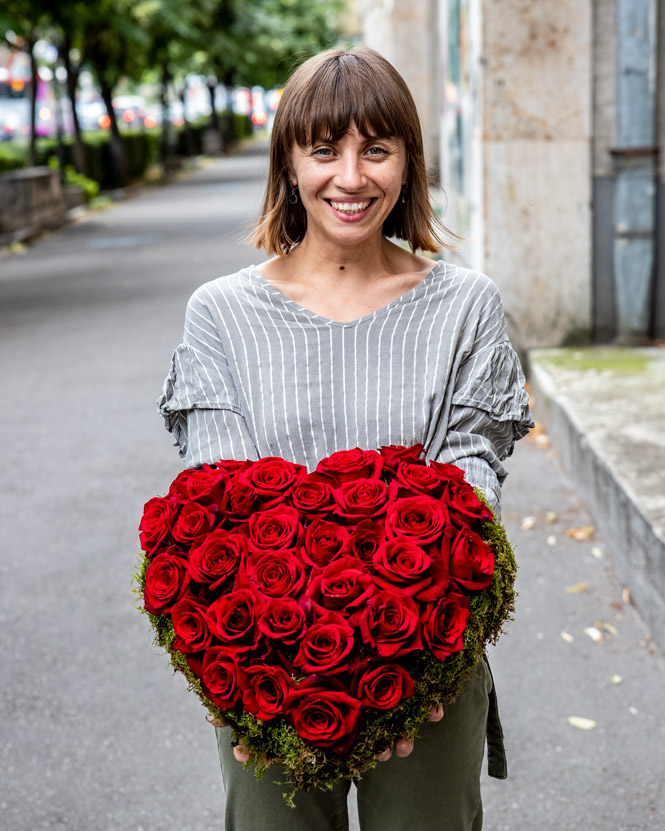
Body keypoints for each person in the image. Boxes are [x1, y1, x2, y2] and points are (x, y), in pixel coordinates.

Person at [158, 46, 533, 831]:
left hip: (426, 662)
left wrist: (406, 668)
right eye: (324, 150)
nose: (352, 177)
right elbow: (223, 505)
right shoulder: (220, 314)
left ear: (408, 163)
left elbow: (469, 491)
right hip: (265, 669)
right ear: (289, 164)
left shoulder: (464, 306)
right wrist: (275, 682)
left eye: (376, 149)